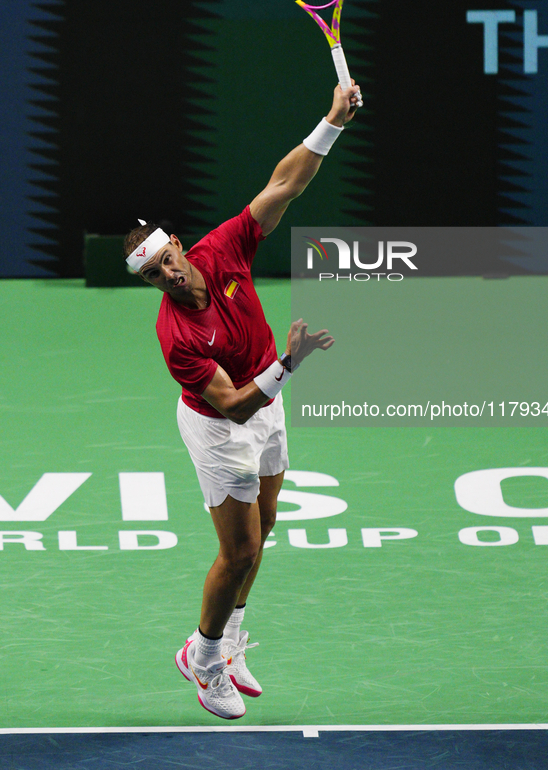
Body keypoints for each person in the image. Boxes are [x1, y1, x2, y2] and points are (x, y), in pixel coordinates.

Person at [123, 81, 362, 720]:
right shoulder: (176, 335)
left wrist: (331, 122)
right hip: (223, 427)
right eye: (153, 275)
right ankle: (201, 658)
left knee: (270, 523)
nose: (169, 275)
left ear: (177, 246)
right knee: (240, 552)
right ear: (148, 282)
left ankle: (229, 639)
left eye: (168, 259)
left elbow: (284, 185)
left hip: (269, 399)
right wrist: (290, 362)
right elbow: (233, 407)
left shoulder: (223, 247)